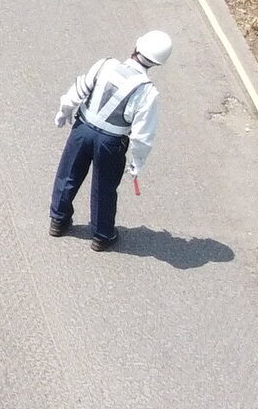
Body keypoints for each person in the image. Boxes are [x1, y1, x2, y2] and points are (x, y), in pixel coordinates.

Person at [49, 31, 173, 251]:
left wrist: (64, 110)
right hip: (111, 141)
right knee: (104, 187)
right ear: (157, 63)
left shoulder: (105, 65)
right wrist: (138, 162)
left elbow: (79, 88)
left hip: (83, 129)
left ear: (136, 46)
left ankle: (58, 220)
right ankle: (102, 235)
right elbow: (143, 133)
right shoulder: (147, 92)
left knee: (68, 173)